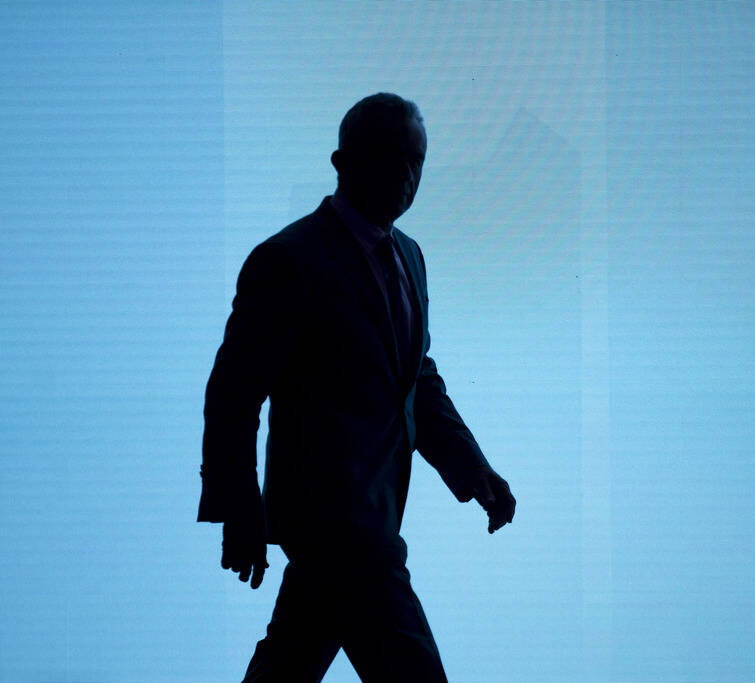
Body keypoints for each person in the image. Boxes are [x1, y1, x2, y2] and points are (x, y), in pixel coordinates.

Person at [197, 92, 516, 682]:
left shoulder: (411, 257)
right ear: (343, 162)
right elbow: (234, 393)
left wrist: (474, 469)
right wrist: (240, 511)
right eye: (390, 156)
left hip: (372, 513)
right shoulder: (288, 259)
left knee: (290, 656)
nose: (406, 173)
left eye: (417, 160)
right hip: (335, 524)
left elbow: (414, 378)